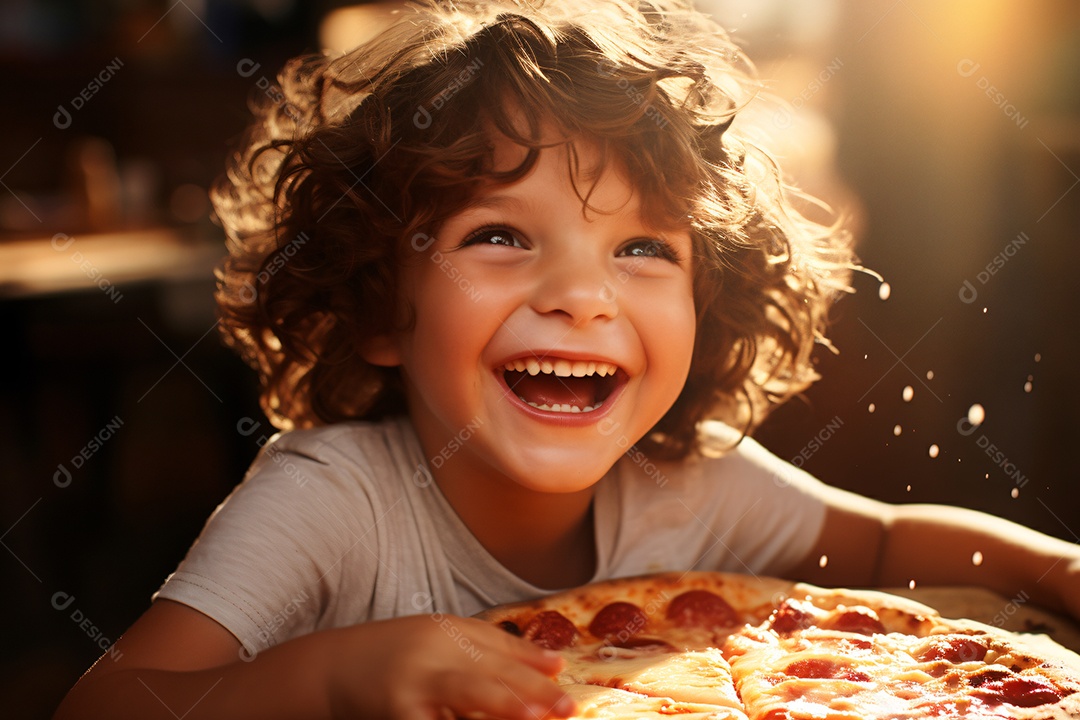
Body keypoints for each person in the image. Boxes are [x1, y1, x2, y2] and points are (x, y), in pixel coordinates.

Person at [55, 1, 1079, 718]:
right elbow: (105, 707)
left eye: (642, 250)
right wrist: (332, 680)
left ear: (706, 303)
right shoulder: (330, 504)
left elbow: (887, 548)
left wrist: (1054, 566)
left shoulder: (689, 483)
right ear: (380, 307)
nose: (582, 295)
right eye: (499, 236)